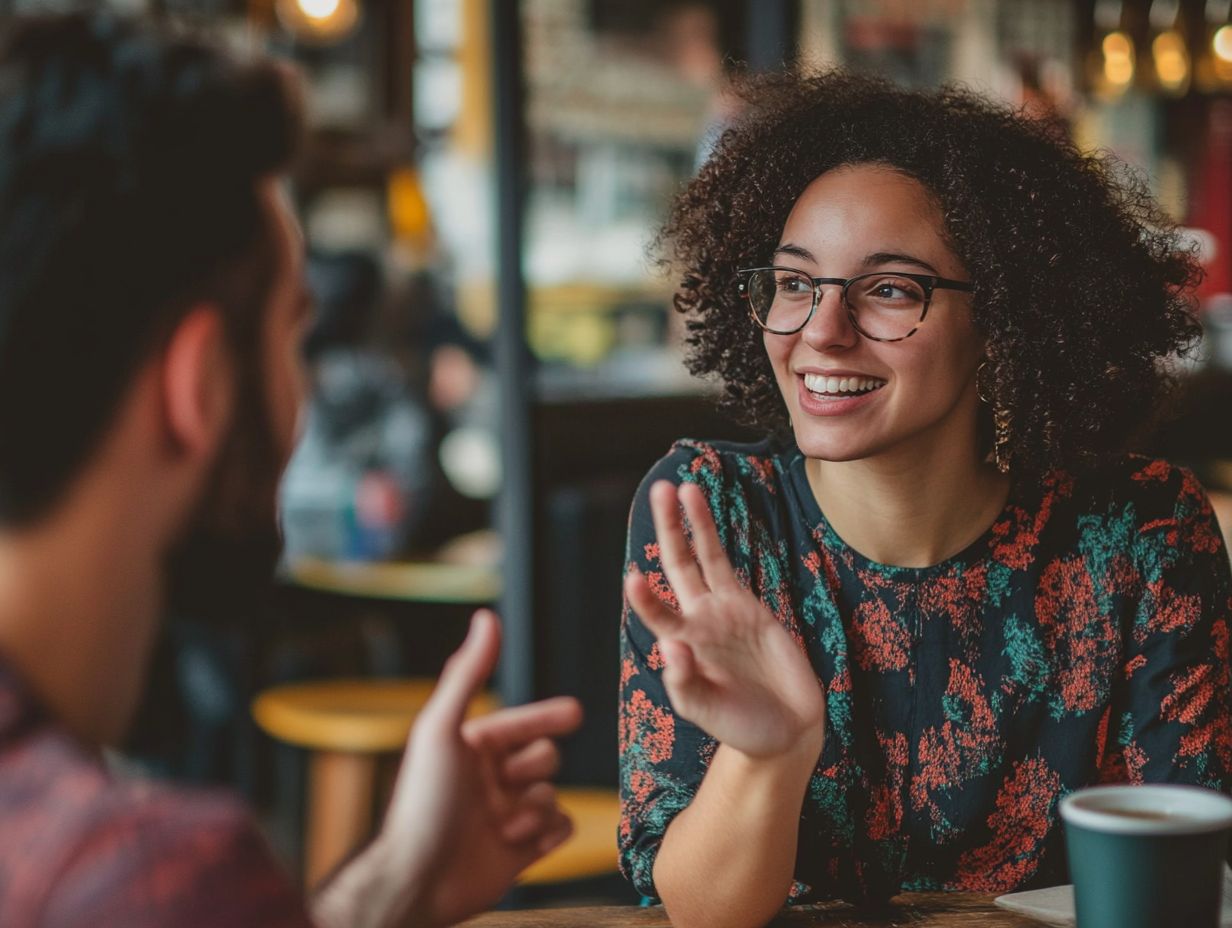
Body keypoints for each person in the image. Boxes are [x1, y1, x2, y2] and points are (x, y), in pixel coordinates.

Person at [0, 13, 581, 928]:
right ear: (199, 382)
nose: (303, 391)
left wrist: (393, 887)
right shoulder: (141, 878)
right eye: (289, 335)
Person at [618, 69, 1232, 928]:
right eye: (795, 284)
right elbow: (697, 911)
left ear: (1008, 319)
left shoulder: (1139, 531)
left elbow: (1180, 870)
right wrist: (773, 752)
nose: (820, 333)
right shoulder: (713, 517)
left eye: (890, 289)